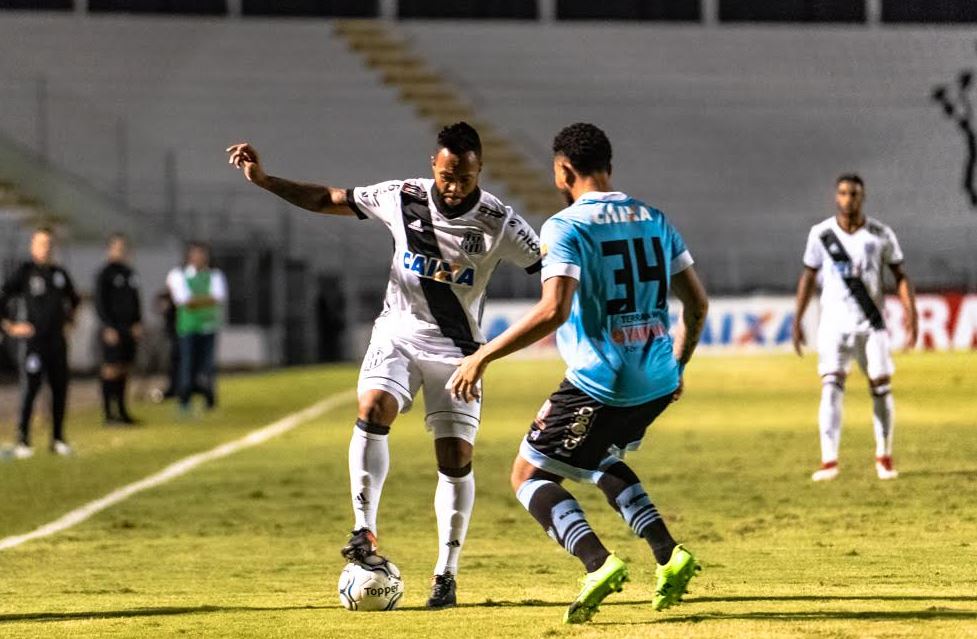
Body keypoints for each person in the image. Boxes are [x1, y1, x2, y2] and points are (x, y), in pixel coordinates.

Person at [226, 122, 542, 608]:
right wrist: (267, 180)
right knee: (373, 407)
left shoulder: (500, 222)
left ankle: (446, 574)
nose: (454, 186)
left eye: (466, 177)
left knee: (455, 457)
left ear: (480, 170)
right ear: (433, 165)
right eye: (447, 175)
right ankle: (363, 531)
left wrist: (493, 351)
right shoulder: (401, 196)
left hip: (459, 351)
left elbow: (554, 278)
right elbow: (329, 198)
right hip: (397, 331)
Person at [451, 123, 710, 624]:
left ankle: (598, 563)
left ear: (564, 170)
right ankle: (668, 552)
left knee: (527, 474)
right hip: (655, 380)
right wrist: (677, 366)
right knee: (598, 457)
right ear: (608, 165)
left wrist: (482, 356)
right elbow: (697, 304)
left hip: (601, 381)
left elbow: (553, 311)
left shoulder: (565, 226)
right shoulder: (656, 219)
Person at [792, 174, 918, 482]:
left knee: (881, 387)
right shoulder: (821, 234)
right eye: (844, 193)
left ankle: (884, 457)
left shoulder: (880, 234)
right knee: (831, 388)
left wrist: (910, 312)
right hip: (834, 326)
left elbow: (900, 275)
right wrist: (797, 319)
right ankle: (829, 461)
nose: (849, 199)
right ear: (837, 197)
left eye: (855, 194)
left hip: (872, 325)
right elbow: (808, 277)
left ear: (863, 197)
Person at [0, 227, 80, 458]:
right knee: (30, 389)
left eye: (49, 244)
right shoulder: (25, 271)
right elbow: (3, 296)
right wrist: (10, 326)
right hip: (33, 342)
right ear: (32, 246)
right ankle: (22, 439)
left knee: (59, 389)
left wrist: (70, 321)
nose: (46, 248)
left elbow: (74, 299)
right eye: (41, 243)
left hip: (57, 341)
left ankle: (57, 439)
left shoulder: (59, 273)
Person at [166, 242, 227, 414]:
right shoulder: (178, 275)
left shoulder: (215, 275)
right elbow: (184, 300)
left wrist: (195, 301)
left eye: (202, 254)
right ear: (189, 256)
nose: (199, 257)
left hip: (208, 326)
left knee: (207, 366)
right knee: (187, 363)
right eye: (196, 254)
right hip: (188, 327)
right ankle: (185, 399)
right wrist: (205, 299)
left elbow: (218, 297)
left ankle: (209, 399)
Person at [95, 233, 143, 425]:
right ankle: (108, 413)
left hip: (129, 328)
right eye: (117, 247)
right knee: (111, 368)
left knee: (124, 368)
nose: (121, 251)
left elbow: (136, 300)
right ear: (109, 250)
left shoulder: (130, 274)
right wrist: (107, 326)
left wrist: (138, 322)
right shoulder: (105, 274)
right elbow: (100, 303)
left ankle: (122, 410)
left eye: (123, 248)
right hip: (113, 328)